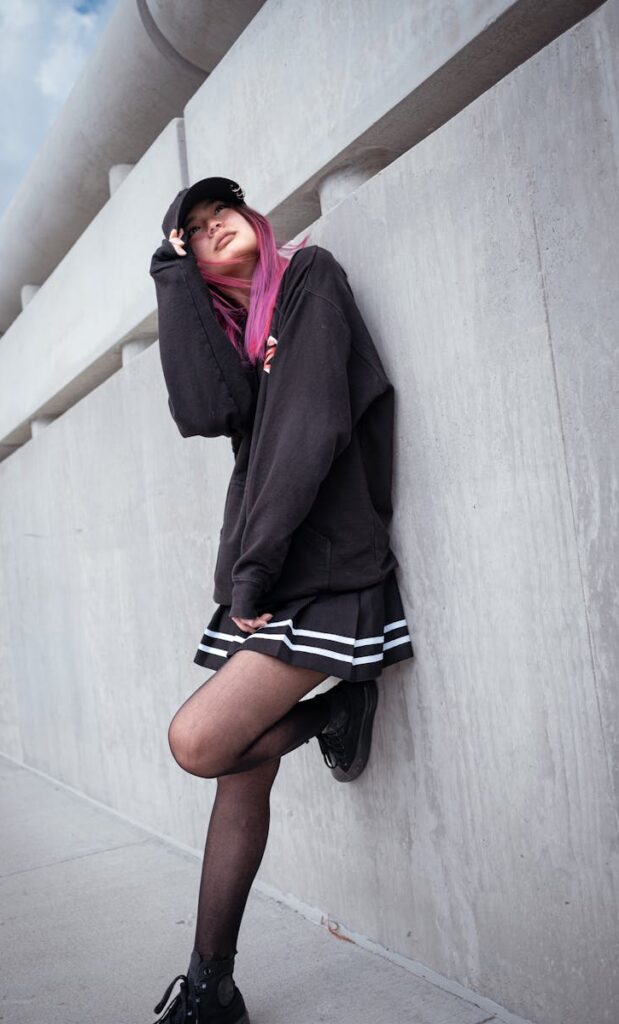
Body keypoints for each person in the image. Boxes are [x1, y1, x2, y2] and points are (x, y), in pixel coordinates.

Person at [147, 176, 414, 1023]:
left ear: (252, 216)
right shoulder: (233, 337)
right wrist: (171, 278)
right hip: (274, 573)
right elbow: (200, 409)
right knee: (242, 772)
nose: (211, 222)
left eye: (220, 208)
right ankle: (209, 986)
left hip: (326, 566)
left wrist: (251, 575)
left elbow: (309, 431)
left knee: (200, 742)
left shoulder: (307, 279)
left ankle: (335, 714)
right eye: (192, 228)